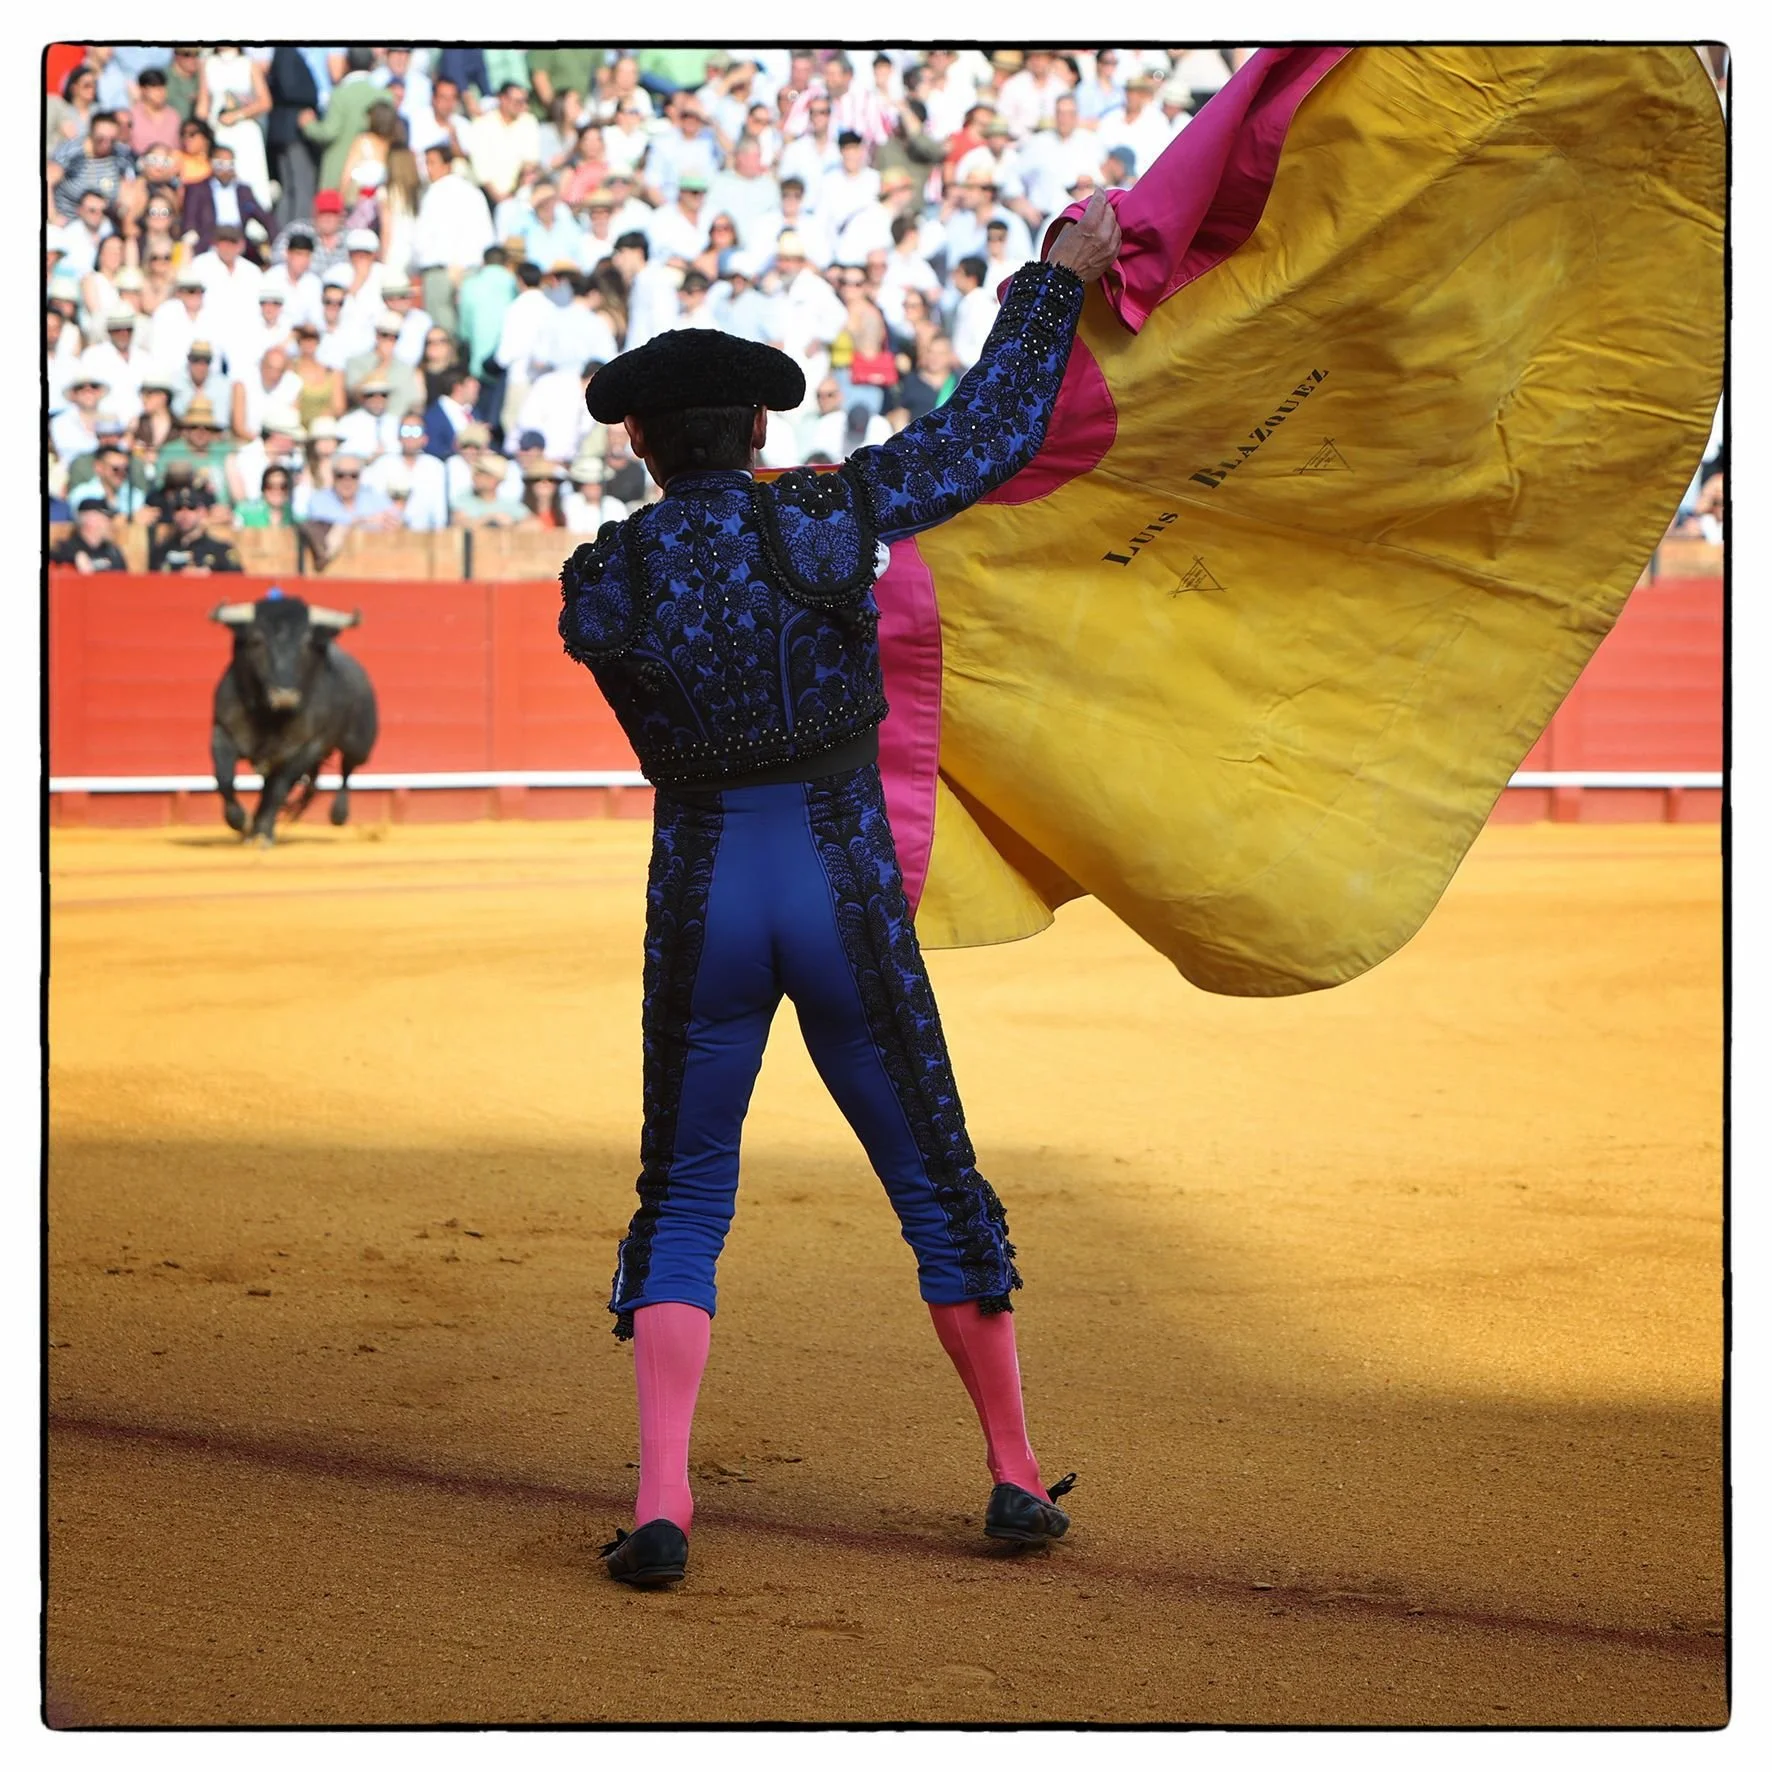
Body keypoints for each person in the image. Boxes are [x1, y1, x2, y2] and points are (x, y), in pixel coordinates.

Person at [558, 188, 1122, 1590]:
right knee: (931, 1174)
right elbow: (987, 436)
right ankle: (1011, 1473)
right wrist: (1053, 284)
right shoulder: (822, 521)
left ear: (636, 445)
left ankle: (664, 1501)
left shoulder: (604, 580)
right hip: (839, 886)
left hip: (702, 895)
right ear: (759, 433)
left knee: (686, 1188)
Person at [148, 486, 243, 572]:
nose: (184, 514)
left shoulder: (220, 551)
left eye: (191, 508)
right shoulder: (160, 552)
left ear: (202, 512)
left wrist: (210, 576)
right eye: (178, 508)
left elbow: (239, 581)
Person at [52, 495, 129, 572]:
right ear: (90, 520)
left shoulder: (113, 552)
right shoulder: (67, 549)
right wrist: (74, 557)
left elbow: (124, 577)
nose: (111, 524)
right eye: (107, 518)